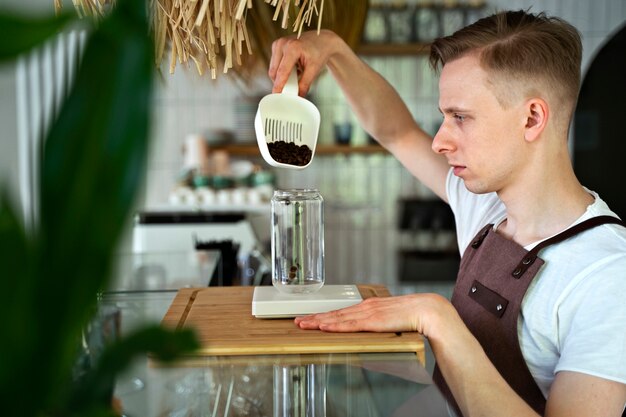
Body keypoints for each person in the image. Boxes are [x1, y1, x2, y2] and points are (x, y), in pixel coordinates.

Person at [267, 9, 626, 417]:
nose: (439, 141)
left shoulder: (607, 274)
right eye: (444, 117)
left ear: (532, 118)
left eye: (460, 117)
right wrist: (331, 48)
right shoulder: (487, 209)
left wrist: (437, 318)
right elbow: (396, 131)